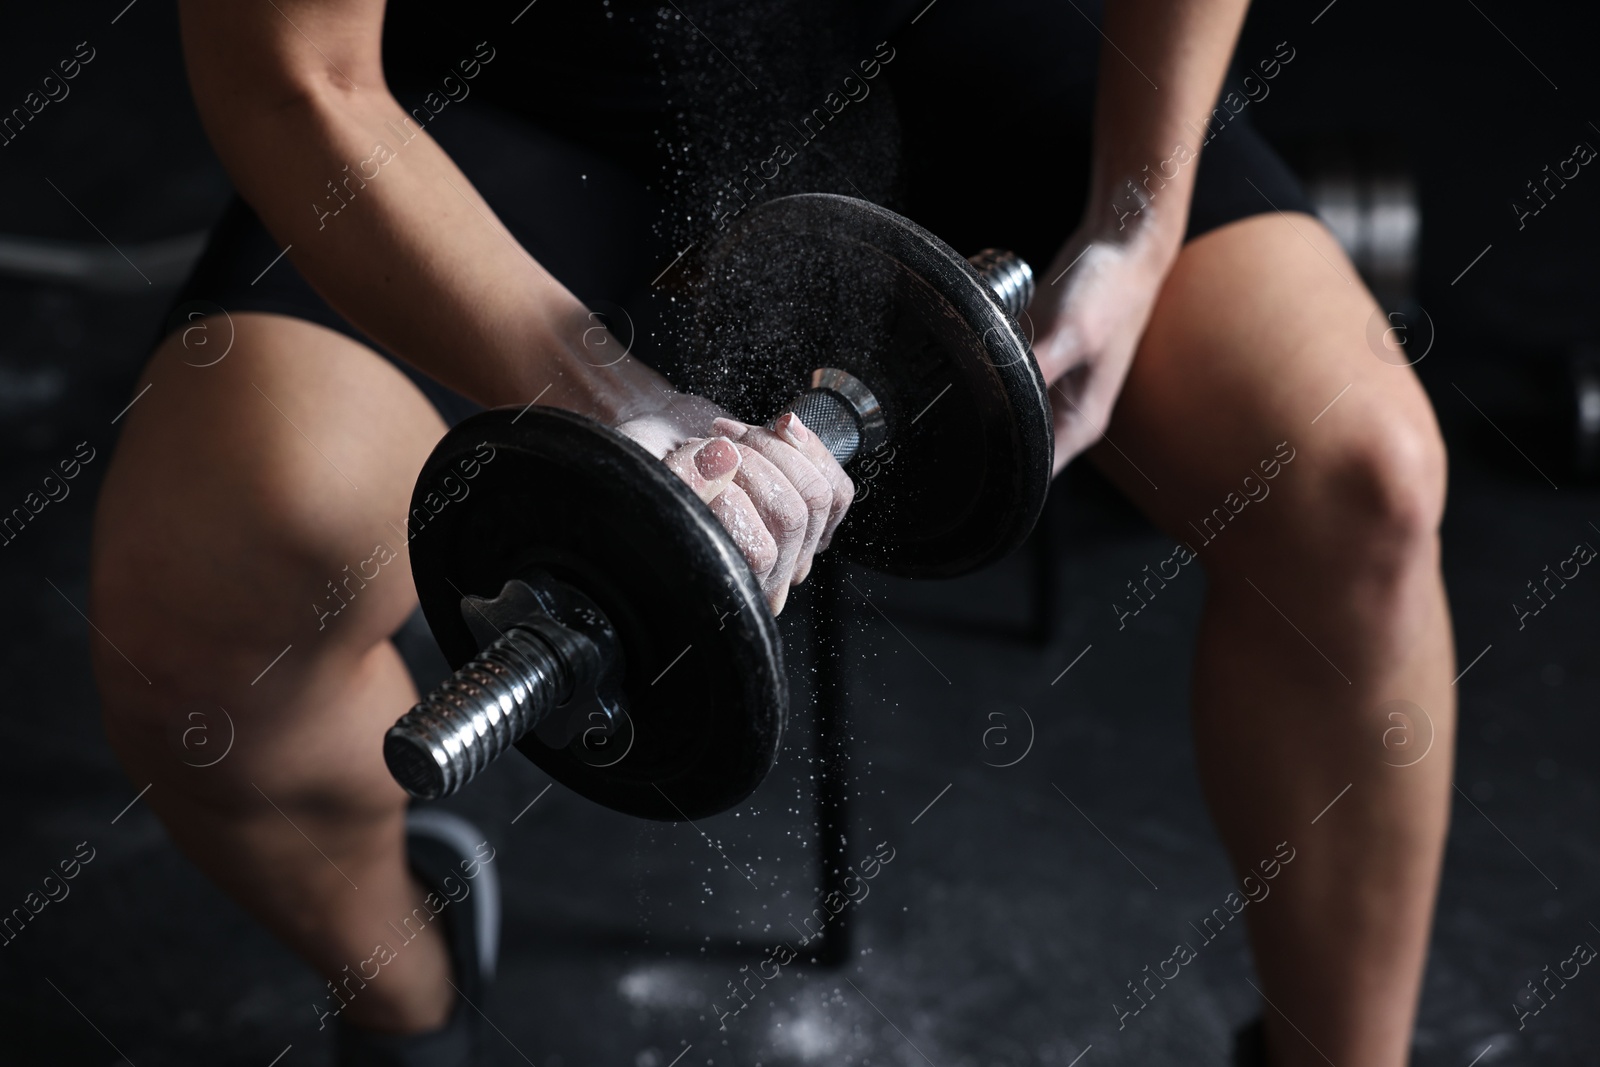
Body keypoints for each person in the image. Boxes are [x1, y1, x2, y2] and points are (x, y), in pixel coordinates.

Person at [88, 1, 1452, 1065]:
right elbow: (299, 73)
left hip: (938, 40)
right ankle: (407, 995)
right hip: (519, 85)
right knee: (203, 635)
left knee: (1361, 482)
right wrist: (600, 395)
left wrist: (1138, 219)